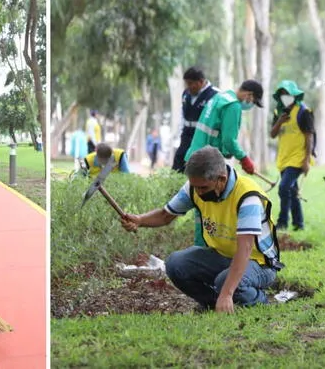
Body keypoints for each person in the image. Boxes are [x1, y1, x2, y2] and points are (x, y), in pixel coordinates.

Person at [121, 146, 283, 313]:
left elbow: (245, 249)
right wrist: (139, 220)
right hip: (223, 256)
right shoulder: (194, 187)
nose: (198, 192)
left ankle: (259, 300)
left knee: (224, 283)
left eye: (203, 188)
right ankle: (214, 303)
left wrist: (227, 292)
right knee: (175, 264)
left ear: (221, 179)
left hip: (259, 263)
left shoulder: (248, 197)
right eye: (195, 187)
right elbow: (165, 215)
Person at [183, 79, 264, 248]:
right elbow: (229, 140)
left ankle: (201, 248)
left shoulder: (219, 98)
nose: (250, 104)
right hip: (207, 164)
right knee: (208, 210)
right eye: (253, 101)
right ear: (249, 95)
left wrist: (227, 152)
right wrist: (244, 158)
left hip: (195, 157)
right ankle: (204, 250)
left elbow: (218, 135)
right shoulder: (233, 105)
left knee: (201, 209)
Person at [270, 80, 315, 231]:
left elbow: (309, 136)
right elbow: (272, 134)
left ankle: (282, 222)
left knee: (283, 188)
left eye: (288, 94)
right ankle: (299, 224)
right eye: (282, 95)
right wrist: (280, 121)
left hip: (298, 158)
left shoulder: (303, 111)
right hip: (283, 158)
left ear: (294, 95)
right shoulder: (278, 112)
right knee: (292, 190)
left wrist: (307, 160)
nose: (285, 97)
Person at [172, 67, 219, 173]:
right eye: (186, 84)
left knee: (198, 166)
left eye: (190, 83)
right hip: (186, 134)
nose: (188, 87)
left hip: (203, 137)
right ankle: (174, 187)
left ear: (201, 82)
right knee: (179, 162)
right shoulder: (186, 94)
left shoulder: (215, 95)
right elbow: (182, 115)